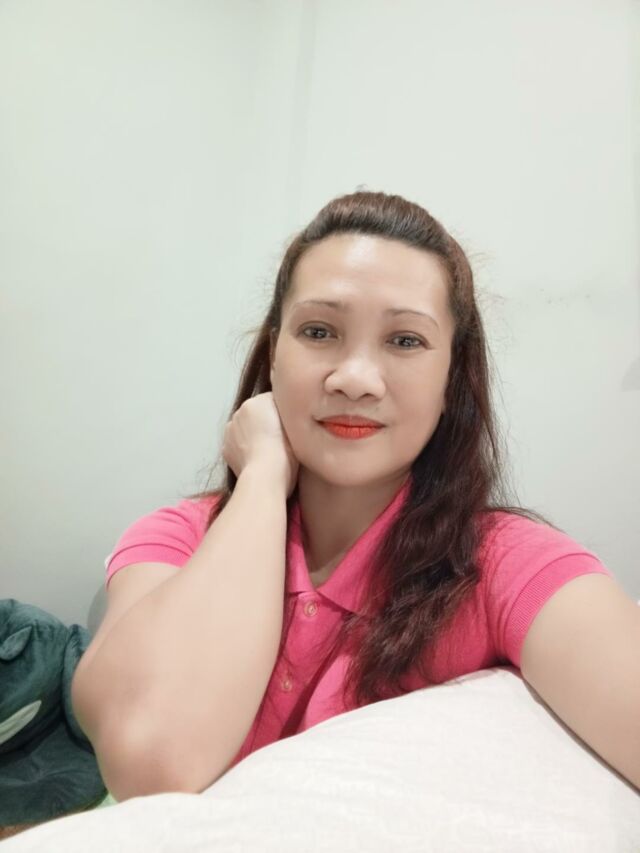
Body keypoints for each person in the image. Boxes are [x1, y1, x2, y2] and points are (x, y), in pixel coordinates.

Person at [70, 190, 616, 803]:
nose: (354, 379)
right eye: (319, 331)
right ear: (273, 354)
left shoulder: (505, 565)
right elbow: (150, 764)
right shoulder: (178, 538)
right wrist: (263, 474)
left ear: (451, 377)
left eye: (405, 340)